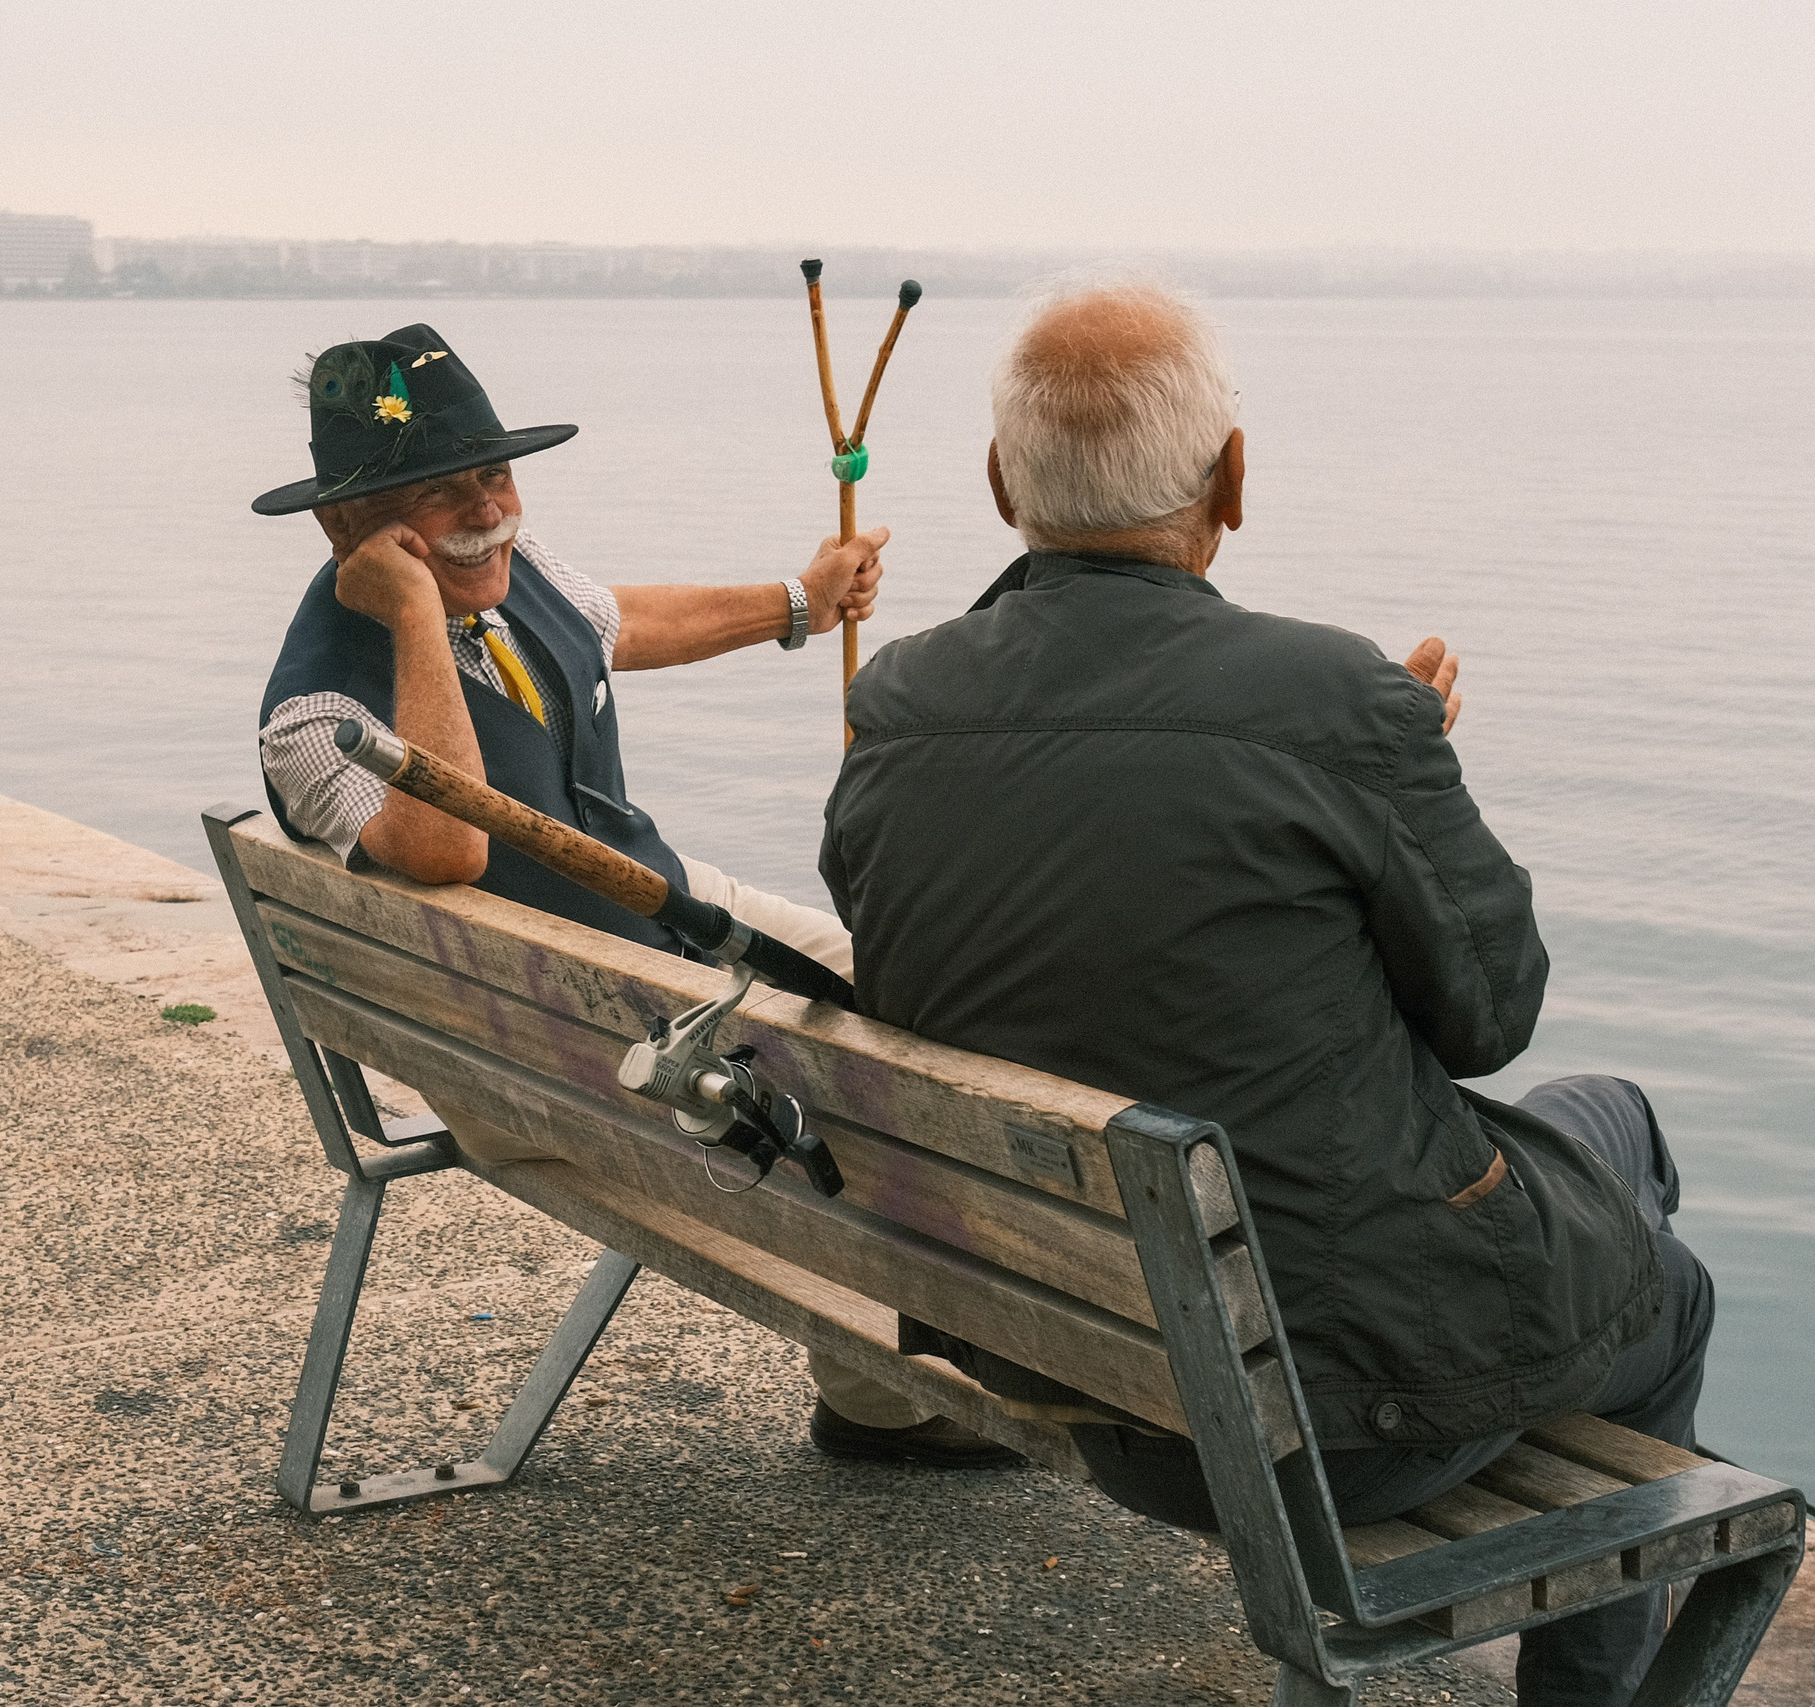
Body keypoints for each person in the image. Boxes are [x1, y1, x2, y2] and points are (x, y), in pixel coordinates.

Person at [818, 280, 1714, 1706]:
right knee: (1658, 1250)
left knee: (1598, 1123)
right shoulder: (1335, 698)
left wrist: (1373, 763)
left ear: (1001, 487)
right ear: (1232, 478)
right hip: (1327, 1415)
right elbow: (1491, 1018)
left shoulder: (906, 700)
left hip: (1053, 1337)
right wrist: (1402, 765)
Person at [253, 323, 1017, 1470]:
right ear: (342, 528)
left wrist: (797, 604)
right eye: (433, 493)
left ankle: (878, 1393)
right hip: (552, 1044)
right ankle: (889, 1393)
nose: (483, 509)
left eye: (493, 473)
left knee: (916, 990)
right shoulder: (313, 721)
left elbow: (614, 626)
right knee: (863, 1090)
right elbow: (452, 847)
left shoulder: (523, 578)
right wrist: (416, 615)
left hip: (644, 935)